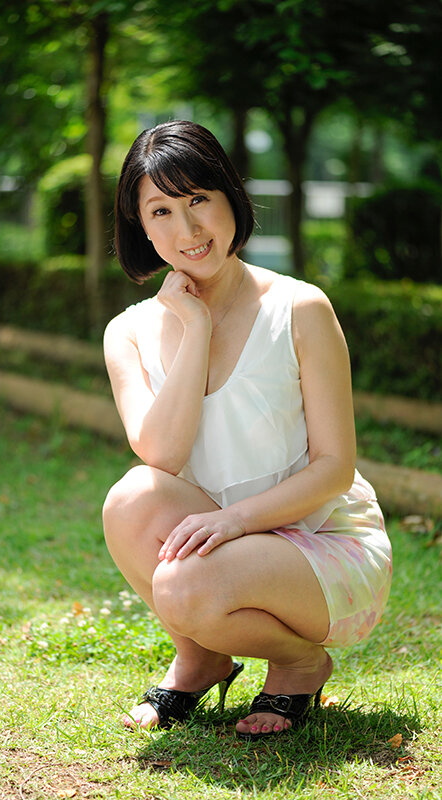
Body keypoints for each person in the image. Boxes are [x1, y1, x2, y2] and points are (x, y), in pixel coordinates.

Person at [102, 120, 392, 740]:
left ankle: (299, 663)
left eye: (198, 199)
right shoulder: (128, 332)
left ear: (230, 196)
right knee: (130, 498)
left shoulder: (300, 308)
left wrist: (234, 521)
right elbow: (162, 454)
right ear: (140, 225)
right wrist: (195, 326)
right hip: (221, 544)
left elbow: (334, 468)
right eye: (161, 211)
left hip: (319, 543)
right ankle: (200, 658)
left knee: (184, 584)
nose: (187, 230)